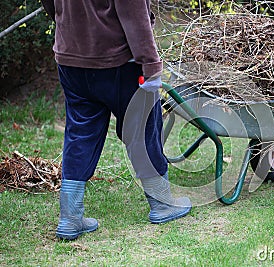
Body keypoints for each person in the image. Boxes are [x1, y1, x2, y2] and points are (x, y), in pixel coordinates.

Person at [40, 0, 192, 240]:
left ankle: (70, 217)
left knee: (80, 133)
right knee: (142, 128)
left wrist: (72, 28)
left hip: (71, 58)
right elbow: (133, 13)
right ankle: (162, 204)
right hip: (117, 61)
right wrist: (151, 65)